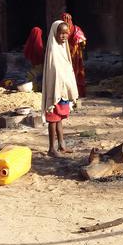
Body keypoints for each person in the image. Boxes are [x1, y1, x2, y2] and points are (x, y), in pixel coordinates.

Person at [42, 20, 79, 158]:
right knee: (52, 119)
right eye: (61, 33)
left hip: (63, 91)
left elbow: (66, 68)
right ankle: (51, 148)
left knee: (59, 118)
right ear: (55, 33)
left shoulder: (64, 48)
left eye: (66, 33)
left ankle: (62, 145)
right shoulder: (53, 50)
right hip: (55, 91)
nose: (64, 36)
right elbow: (55, 72)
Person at [61, 13, 87, 97]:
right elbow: (83, 42)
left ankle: (68, 93)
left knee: (66, 73)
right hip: (75, 56)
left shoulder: (60, 30)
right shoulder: (76, 29)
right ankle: (77, 92)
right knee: (76, 72)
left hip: (65, 55)